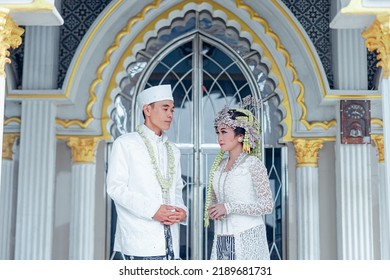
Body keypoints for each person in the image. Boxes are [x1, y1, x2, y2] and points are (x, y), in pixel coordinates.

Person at [107, 84, 187, 260]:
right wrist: (153, 210)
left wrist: (181, 211)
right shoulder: (125, 144)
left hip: (171, 243)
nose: (170, 114)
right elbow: (116, 188)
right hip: (139, 242)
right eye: (165, 108)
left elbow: (176, 190)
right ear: (147, 110)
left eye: (172, 110)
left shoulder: (173, 150)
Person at [204, 97, 274, 260]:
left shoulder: (252, 164)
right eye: (218, 132)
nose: (219, 138)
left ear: (240, 136)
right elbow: (216, 200)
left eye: (224, 132)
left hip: (247, 236)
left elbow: (267, 205)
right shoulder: (219, 166)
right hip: (222, 237)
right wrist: (214, 209)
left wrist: (228, 207)